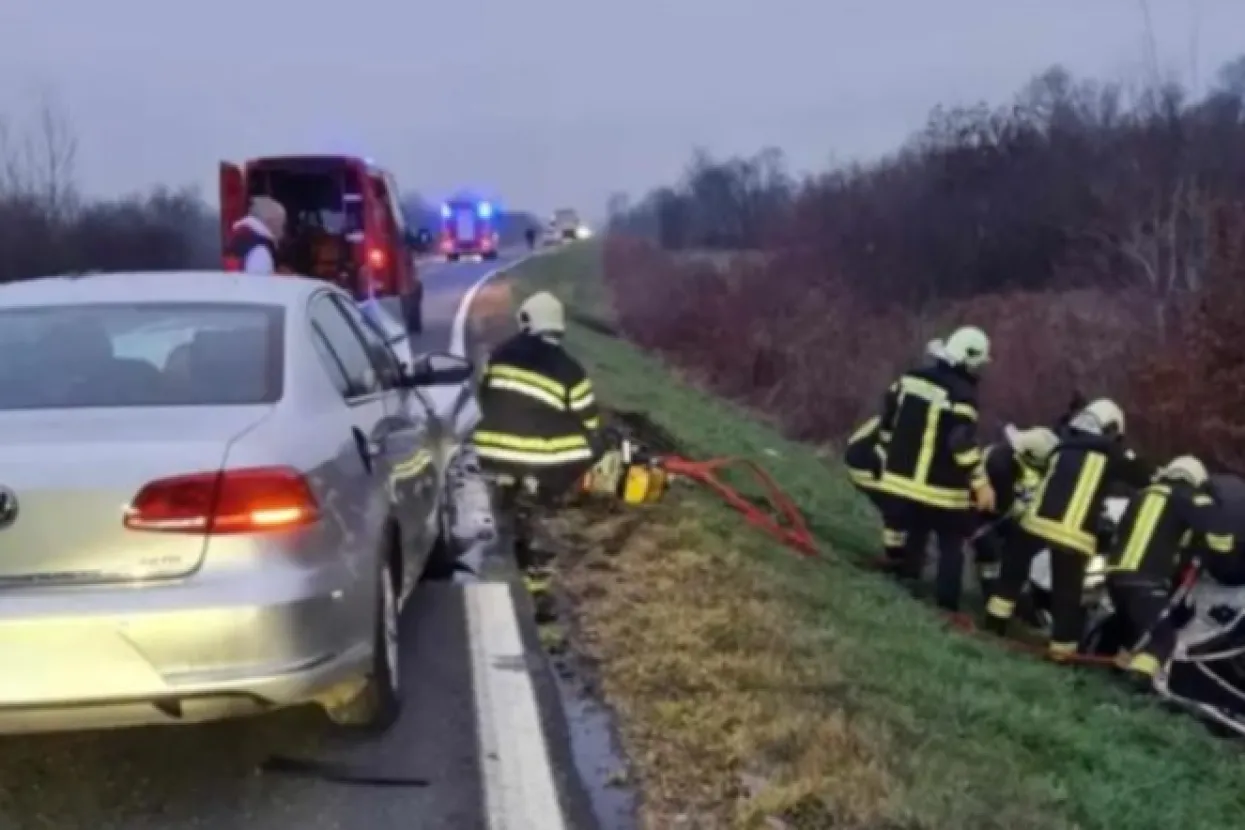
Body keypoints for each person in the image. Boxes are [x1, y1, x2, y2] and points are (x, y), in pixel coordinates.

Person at [983, 398, 1153, 660]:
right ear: (1110, 429)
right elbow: (1143, 477)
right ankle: (1061, 654)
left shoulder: (1061, 444)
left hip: (1036, 522)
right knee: (1067, 597)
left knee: (1011, 575)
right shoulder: (1111, 454)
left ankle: (993, 626)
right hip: (1074, 535)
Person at [869, 326, 996, 611]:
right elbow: (960, 442)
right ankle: (947, 606)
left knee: (917, 530)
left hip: (900, 481)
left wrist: (888, 453)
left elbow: (888, 418)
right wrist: (980, 483)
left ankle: (907, 583)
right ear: (968, 359)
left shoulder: (910, 378)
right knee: (952, 543)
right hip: (940, 488)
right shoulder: (962, 395)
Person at [1107, 455, 1235, 688]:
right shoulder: (1192, 498)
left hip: (1114, 575)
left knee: (1131, 628)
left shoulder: (1143, 493)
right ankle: (1139, 681)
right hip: (1147, 581)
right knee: (1163, 637)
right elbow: (1219, 539)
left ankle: (1112, 668)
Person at [846, 338, 947, 573]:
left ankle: (905, 558)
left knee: (906, 507)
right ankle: (899, 558)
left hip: (882, 455)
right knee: (899, 506)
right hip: (874, 457)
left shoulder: (912, 386)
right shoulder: (933, 394)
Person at [971, 424, 1060, 597]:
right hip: (983, 515)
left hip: (1004, 517)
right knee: (990, 553)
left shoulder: (1022, 460)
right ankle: (991, 594)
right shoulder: (1001, 462)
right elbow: (1004, 504)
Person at [223, 196, 287, 274]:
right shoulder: (260, 252)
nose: (282, 232)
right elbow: (259, 280)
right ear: (271, 222)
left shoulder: (235, 237)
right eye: (280, 224)